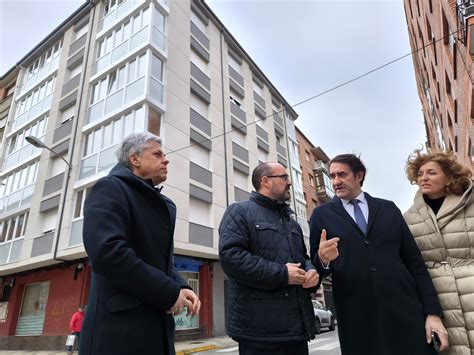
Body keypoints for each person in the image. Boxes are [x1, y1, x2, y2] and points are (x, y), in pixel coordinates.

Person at [309, 154, 448, 355]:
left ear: (359, 176)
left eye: (342, 175)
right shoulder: (322, 215)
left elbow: (415, 263)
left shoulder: (388, 208)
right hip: (356, 317)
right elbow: (315, 274)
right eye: (332, 176)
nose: (336, 181)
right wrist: (323, 259)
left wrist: (433, 313)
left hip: (404, 310)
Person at [80, 132, 200, 355]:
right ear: (134, 159)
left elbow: (157, 260)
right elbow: (107, 253)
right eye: (157, 154)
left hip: (157, 331)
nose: (166, 159)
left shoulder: (165, 204)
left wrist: (180, 285)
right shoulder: (110, 188)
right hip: (119, 335)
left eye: (165, 155)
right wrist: (169, 292)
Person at [219, 162, 319, 355]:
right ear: (265, 181)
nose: (289, 182)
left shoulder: (292, 223)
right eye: (284, 177)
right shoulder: (239, 212)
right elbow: (232, 258)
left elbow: (303, 258)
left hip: (297, 331)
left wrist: (311, 270)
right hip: (259, 333)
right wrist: (282, 274)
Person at [404, 150, 474, 354]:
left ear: (449, 176)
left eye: (432, 173)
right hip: (438, 299)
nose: (423, 178)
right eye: (420, 174)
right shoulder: (409, 218)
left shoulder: (470, 204)